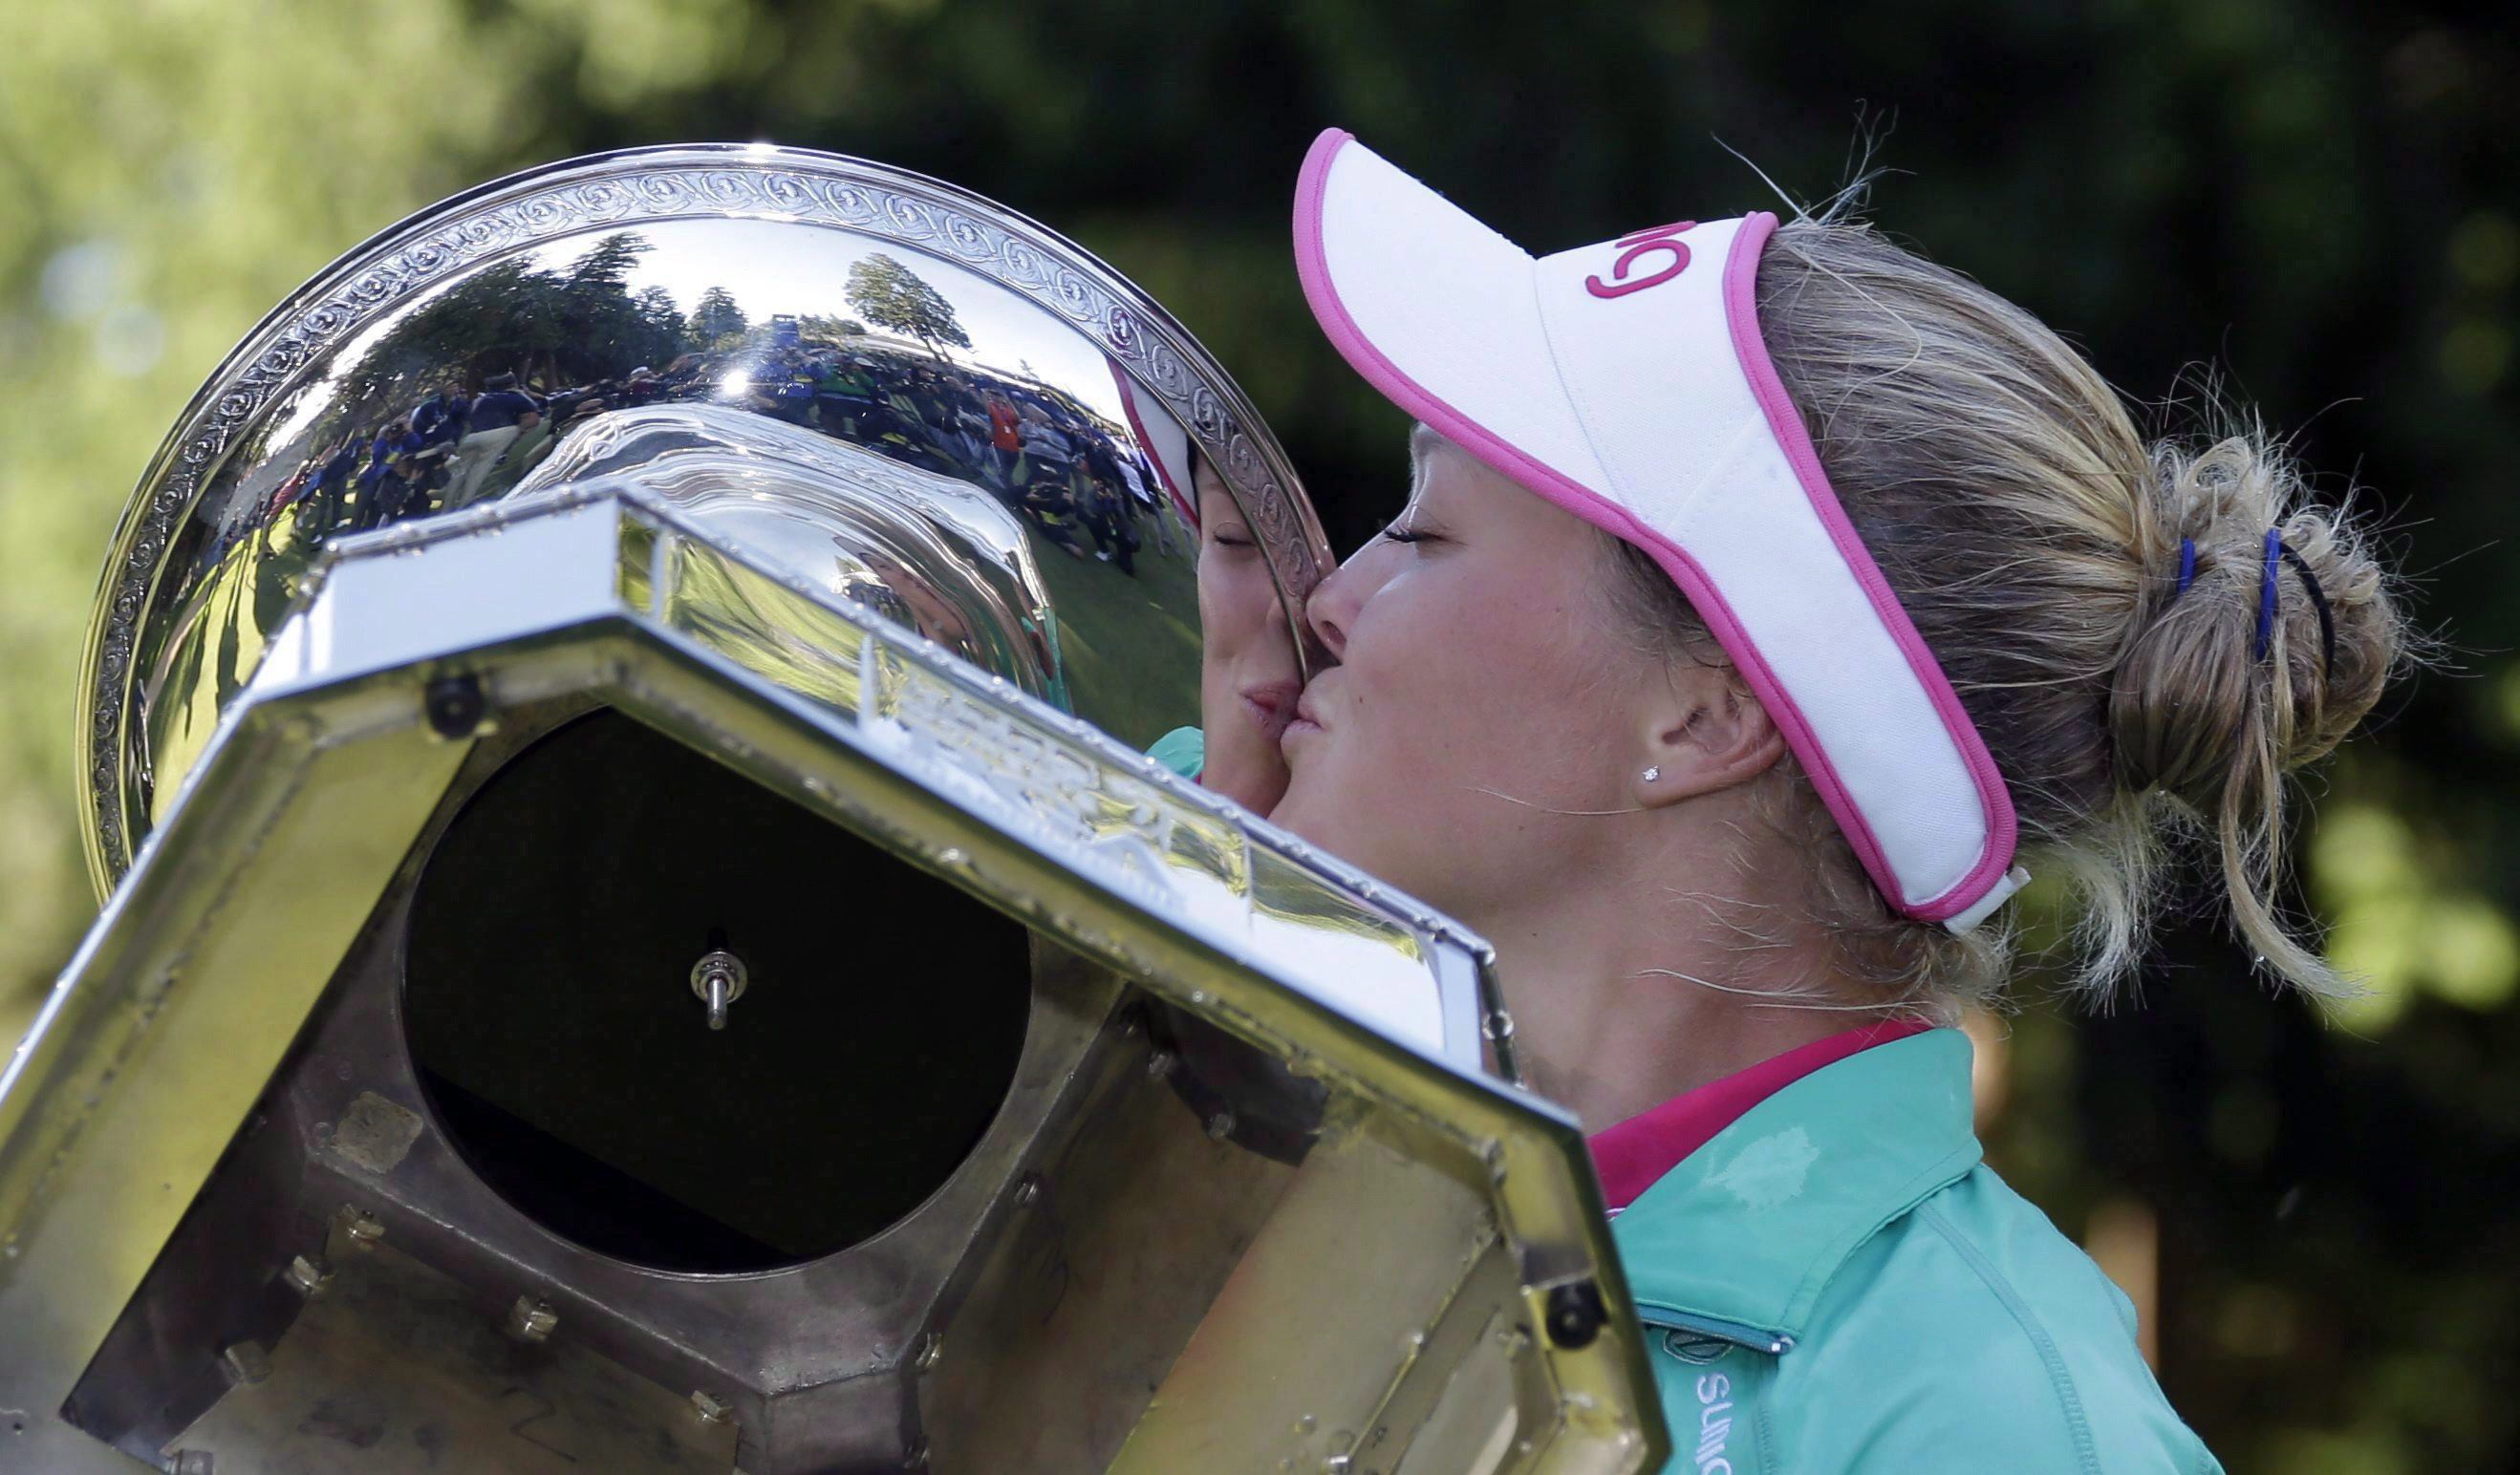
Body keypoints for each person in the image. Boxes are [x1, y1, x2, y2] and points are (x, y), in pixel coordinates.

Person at [1270, 131, 2405, 1472]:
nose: (1328, 603)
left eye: (1425, 533)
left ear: (1710, 711)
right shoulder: (1282, 1115)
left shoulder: (1992, 1430)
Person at [445, 371, 543, 509]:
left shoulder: (481, 400)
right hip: (496, 435)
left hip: (472, 437)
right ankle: (463, 508)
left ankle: (446, 508)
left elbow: (470, 419)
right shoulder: (517, 396)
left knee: (460, 472)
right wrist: (520, 432)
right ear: (512, 384)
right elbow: (533, 419)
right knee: (478, 473)